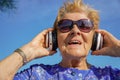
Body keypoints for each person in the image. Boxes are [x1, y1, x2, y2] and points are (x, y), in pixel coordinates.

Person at [0, 0, 120, 80]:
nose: (75, 30)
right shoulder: (36, 74)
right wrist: (29, 51)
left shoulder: (111, 75)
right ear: (55, 37)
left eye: (84, 25)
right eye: (65, 25)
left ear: (95, 37)